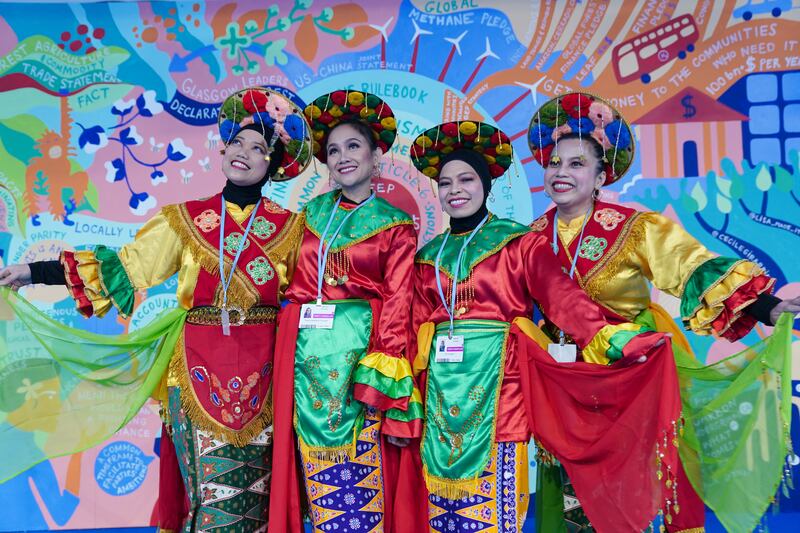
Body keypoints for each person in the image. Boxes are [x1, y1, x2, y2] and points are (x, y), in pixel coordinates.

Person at [0, 86, 314, 532]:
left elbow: (322, 294)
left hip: (266, 379)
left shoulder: (293, 229)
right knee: (209, 499)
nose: (243, 152)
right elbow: (123, 269)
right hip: (195, 373)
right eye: (238, 141)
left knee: (257, 504)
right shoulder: (183, 219)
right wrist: (36, 273)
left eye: (259, 147)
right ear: (224, 148)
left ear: (274, 165)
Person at [527, 91, 800, 533]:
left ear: (600, 176)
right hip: (563, 384)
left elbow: (692, 266)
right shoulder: (529, 238)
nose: (562, 172)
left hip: (631, 377)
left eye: (577, 164)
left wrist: (767, 307)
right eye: (555, 163)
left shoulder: (636, 228)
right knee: (575, 496)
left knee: (637, 488)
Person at [406, 120, 685, 533]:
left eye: (466, 178)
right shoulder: (428, 254)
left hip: (501, 391)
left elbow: (562, 298)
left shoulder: (519, 243)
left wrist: (615, 338)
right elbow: (414, 329)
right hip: (440, 395)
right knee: (441, 514)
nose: (455, 190)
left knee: (493, 514)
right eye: (445, 183)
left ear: (487, 185)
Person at [268, 90, 420, 532]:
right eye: (333, 150)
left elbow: (398, 303)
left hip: (359, 363)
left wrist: (385, 375)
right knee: (316, 485)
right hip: (303, 363)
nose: (342, 157)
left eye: (353, 146)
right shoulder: (308, 215)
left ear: (376, 157)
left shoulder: (395, 225)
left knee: (360, 479)